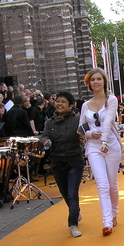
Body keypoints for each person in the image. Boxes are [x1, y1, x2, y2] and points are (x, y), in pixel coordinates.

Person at [78, 68, 122, 236]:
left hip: (110, 144)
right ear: (89, 83)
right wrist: (90, 134)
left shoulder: (111, 100)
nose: (95, 82)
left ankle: (115, 212)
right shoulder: (85, 105)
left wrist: (104, 140)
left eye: (98, 79)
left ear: (104, 81)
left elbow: (108, 121)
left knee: (112, 184)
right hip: (93, 147)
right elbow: (81, 128)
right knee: (102, 185)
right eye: (92, 80)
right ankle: (107, 222)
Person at [39, 91, 84, 238]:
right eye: (57, 101)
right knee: (65, 193)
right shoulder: (50, 122)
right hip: (57, 162)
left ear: (71, 105)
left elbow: (87, 129)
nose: (59, 104)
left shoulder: (77, 120)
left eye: (63, 102)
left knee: (72, 193)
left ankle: (73, 225)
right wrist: (45, 141)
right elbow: (44, 135)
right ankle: (76, 211)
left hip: (74, 161)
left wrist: (83, 134)